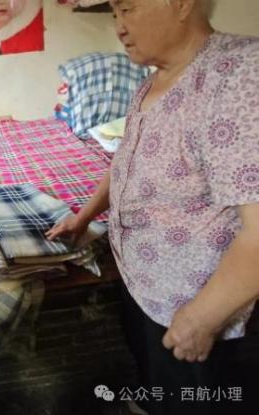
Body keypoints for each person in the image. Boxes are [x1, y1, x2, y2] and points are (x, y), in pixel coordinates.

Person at [47, 0, 258, 413]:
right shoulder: (151, 83)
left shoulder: (237, 74)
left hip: (192, 303)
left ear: (181, 3)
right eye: (114, 14)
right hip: (143, 283)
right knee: (158, 386)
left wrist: (202, 318)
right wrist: (84, 216)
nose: (119, 26)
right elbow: (125, 159)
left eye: (128, 9)